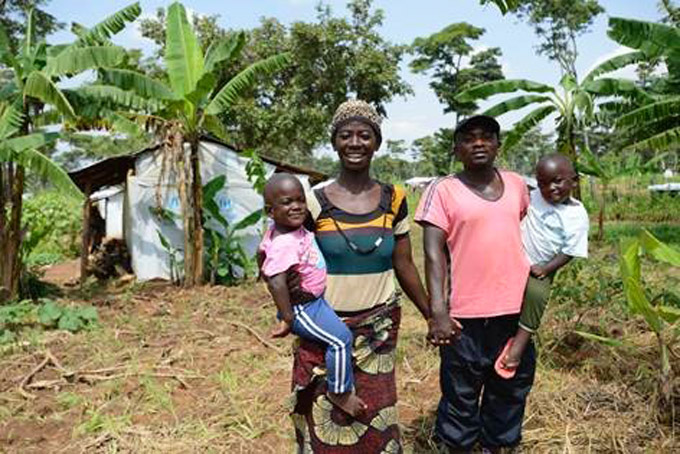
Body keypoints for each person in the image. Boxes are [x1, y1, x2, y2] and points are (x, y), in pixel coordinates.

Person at [290, 99, 431, 453]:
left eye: (364, 135)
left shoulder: (394, 198)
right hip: (325, 328)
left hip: (377, 331)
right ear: (335, 142)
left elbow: (405, 264)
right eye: (346, 135)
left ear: (377, 142)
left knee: (377, 419)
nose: (355, 143)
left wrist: (433, 314)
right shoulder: (312, 201)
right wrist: (288, 306)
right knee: (325, 420)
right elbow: (284, 255)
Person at [415, 115, 533, 453]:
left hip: (514, 311)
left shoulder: (517, 185)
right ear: (456, 149)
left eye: (486, 137)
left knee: (509, 388)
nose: (478, 143)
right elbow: (433, 253)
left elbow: (527, 235)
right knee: (460, 393)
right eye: (469, 138)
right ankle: (458, 446)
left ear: (498, 145)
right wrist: (437, 311)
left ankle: (497, 446)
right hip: (464, 317)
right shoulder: (443, 189)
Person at [259, 173, 367, 416]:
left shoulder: (288, 229)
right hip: (303, 308)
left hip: (315, 302)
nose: (296, 207)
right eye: (287, 202)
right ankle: (339, 392)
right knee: (340, 340)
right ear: (271, 210)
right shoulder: (283, 242)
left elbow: (261, 255)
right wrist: (287, 318)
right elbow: (276, 282)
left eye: (300, 200)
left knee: (338, 332)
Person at [495, 153, 588, 378]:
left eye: (557, 181)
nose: (550, 188)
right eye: (544, 183)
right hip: (513, 257)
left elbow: (570, 252)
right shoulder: (533, 196)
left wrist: (546, 269)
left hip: (541, 268)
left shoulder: (577, 215)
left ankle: (518, 344)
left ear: (574, 181)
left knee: (537, 296)